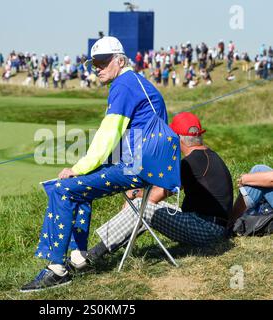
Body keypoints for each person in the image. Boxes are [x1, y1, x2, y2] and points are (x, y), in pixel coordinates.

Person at [20, 36, 180, 292]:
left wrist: (79, 168)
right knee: (75, 185)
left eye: (102, 61)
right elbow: (129, 137)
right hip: (145, 164)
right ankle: (78, 257)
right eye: (94, 62)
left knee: (63, 189)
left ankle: (56, 269)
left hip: (136, 167)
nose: (97, 67)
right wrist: (85, 169)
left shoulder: (124, 85)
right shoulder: (135, 81)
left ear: (119, 60)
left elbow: (108, 134)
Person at [85, 112, 234, 267]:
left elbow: (155, 196)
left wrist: (135, 194)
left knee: (142, 207)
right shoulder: (206, 156)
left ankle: (93, 255)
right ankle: (110, 247)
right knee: (144, 206)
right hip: (213, 227)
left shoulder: (191, 162)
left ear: (177, 137)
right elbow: (166, 189)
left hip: (207, 230)